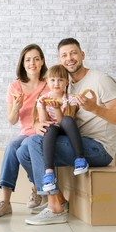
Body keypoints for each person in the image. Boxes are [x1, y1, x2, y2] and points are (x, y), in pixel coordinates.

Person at [17, 38, 116, 225]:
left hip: (97, 147)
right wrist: (38, 124)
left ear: (82, 55)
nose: (69, 58)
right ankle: (58, 199)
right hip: (74, 140)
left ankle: (54, 209)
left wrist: (95, 108)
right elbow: (47, 115)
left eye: (73, 53)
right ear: (60, 61)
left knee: (33, 143)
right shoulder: (64, 84)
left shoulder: (100, 80)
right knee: (22, 151)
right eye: (64, 55)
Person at [0, 43, 50, 217]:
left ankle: (37, 189)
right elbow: (11, 120)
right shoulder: (15, 87)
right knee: (12, 147)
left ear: (42, 62)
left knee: (24, 147)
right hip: (25, 133)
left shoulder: (49, 84)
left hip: (42, 133)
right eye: (28, 60)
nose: (32, 63)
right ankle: (5, 202)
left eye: (36, 59)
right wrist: (17, 106)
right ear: (23, 63)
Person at [36, 64, 89, 193]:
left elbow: (64, 122)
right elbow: (43, 122)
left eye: (60, 80)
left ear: (66, 82)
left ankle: (80, 158)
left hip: (67, 129)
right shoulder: (42, 99)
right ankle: (49, 172)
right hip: (53, 131)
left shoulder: (71, 99)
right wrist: (43, 108)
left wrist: (57, 108)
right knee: (49, 127)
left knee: (67, 119)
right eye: (53, 80)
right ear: (47, 81)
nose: (56, 83)